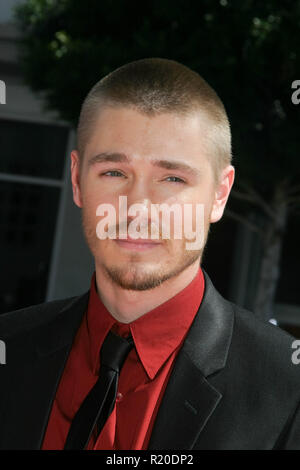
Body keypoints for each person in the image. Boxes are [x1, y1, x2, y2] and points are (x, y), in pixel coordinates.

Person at [1, 58, 300, 450]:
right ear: (76, 180)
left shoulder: (289, 392)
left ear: (219, 194)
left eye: (172, 179)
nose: (138, 208)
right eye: (114, 173)